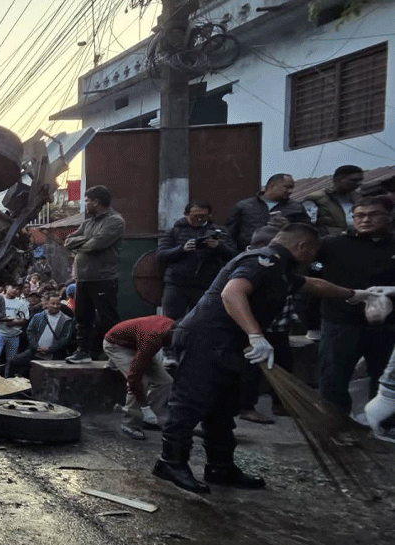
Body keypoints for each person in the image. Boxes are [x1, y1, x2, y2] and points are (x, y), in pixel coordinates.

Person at [154, 223, 378, 493]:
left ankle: (220, 467)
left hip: (228, 344)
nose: (314, 258)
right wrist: (256, 336)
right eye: (313, 252)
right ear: (302, 247)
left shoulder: (282, 269)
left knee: (224, 408)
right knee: (190, 404)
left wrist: (355, 296)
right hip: (207, 339)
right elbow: (232, 293)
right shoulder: (263, 261)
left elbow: (313, 284)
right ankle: (170, 463)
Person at [316, 196, 395, 416]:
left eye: (373, 214)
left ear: (389, 216)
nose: (365, 220)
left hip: (387, 327)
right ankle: (335, 426)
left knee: (385, 379)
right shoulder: (332, 245)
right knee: (333, 378)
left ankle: (379, 426)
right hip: (340, 323)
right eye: (359, 215)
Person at [234, 226, 293, 425]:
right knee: (251, 369)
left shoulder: (281, 264)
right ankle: (246, 407)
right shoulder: (251, 264)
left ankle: (281, 402)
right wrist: (254, 333)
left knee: (284, 362)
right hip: (256, 328)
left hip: (280, 325)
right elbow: (234, 296)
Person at [64, 185, 125, 363]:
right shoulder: (88, 222)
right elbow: (68, 241)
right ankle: (83, 352)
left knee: (108, 319)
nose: (86, 204)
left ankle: (116, 356)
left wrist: (82, 243)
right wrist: (86, 240)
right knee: (82, 317)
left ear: (96, 202)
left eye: (87, 201)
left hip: (104, 278)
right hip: (83, 278)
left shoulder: (115, 221)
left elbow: (95, 244)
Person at [156, 201, 236, 321]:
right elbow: (161, 255)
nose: (199, 219)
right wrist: (182, 249)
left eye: (203, 216)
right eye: (195, 216)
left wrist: (218, 247)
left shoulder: (220, 231)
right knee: (169, 320)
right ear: (185, 214)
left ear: (209, 215)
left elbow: (234, 255)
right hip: (177, 284)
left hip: (206, 284)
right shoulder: (174, 231)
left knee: (203, 320)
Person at [103, 315, 174, 440]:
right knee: (141, 381)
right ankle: (129, 423)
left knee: (165, 381)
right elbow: (134, 377)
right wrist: (145, 408)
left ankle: (147, 420)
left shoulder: (175, 329)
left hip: (136, 344)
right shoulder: (153, 338)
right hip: (116, 345)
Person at [225, 174, 310, 249]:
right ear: (272, 186)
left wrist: (289, 226)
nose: (290, 191)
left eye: (292, 188)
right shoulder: (245, 206)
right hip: (248, 255)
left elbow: (307, 232)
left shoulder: (296, 208)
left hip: (283, 256)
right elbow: (229, 233)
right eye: (287, 187)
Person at [8, 293, 73, 376]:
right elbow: (30, 331)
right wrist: (36, 346)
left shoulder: (66, 320)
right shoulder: (39, 316)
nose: (56, 306)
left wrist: (50, 349)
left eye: (58, 304)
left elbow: (65, 338)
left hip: (54, 354)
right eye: (53, 303)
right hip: (35, 350)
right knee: (14, 362)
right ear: (47, 303)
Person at [306, 165, 365, 235]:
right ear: (338, 180)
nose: (358, 184)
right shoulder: (316, 198)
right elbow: (308, 227)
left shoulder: (358, 197)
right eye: (354, 180)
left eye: (360, 180)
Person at [0, 284, 30, 374]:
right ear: (6, 287)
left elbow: (25, 319)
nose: (15, 290)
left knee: (11, 359)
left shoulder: (21, 303)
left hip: (14, 334)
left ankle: (8, 376)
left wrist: (14, 322)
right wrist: (3, 319)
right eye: (13, 287)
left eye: (17, 289)